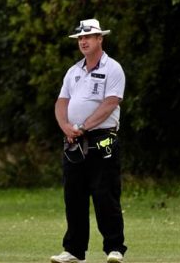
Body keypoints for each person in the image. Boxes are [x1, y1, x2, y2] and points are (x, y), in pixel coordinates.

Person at [51, 19, 127, 263]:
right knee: (74, 195)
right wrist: (66, 126)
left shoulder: (113, 68)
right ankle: (74, 250)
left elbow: (110, 103)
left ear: (99, 39)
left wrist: (83, 126)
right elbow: (61, 102)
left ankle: (114, 248)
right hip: (73, 138)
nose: (83, 41)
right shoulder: (73, 71)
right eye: (80, 38)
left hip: (102, 137)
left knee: (105, 193)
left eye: (88, 37)